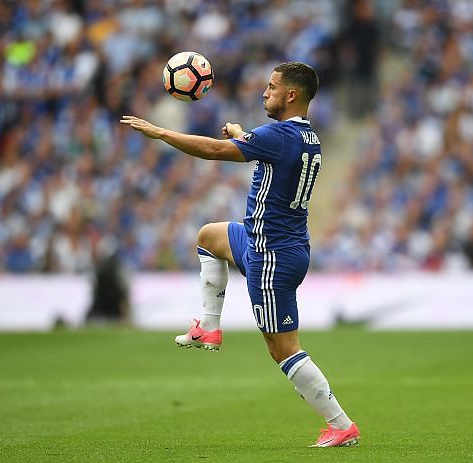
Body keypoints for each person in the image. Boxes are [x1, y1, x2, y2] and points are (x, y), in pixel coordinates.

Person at [120, 61, 360, 448]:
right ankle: (209, 327)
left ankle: (340, 424)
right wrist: (242, 134)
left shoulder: (278, 136)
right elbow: (266, 148)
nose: (265, 92)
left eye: (272, 86)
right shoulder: (306, 137)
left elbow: (216, 150)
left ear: (291, 95)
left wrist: (161, 132)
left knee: (282, 349)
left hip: (271, 255)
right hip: (266, 240)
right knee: (209, 236)